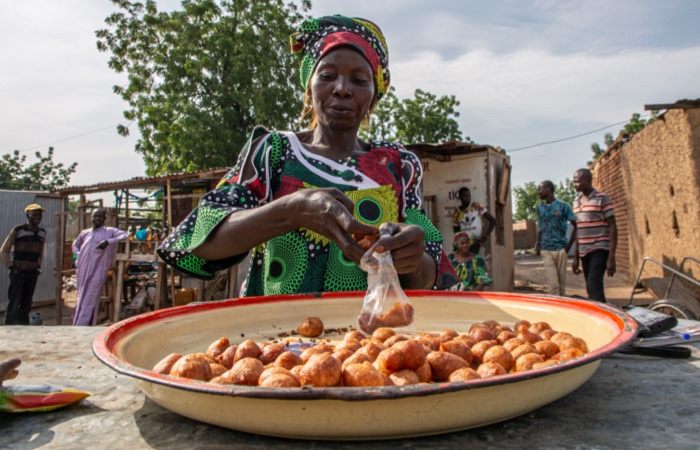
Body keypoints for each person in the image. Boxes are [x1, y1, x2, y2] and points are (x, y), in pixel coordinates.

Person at [157, 15, 460, 295]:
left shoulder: (398, 165)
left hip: (371, 344)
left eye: (359, 79)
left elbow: (428, 277)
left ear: (376, 92)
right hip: (279, 342)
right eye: (328, 75)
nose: (342, 89)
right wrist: (292, 211)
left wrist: (410, 257)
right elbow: (201, 241)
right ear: (309, 85)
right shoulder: (272, 153)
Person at [72, 209, 128, 325]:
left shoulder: (109, 231)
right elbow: (75, 245)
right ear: (91, 218)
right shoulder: (85, 233)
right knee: (80, 296)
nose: (97, 219)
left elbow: (125, 235)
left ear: (104, 219)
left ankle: (81, 325)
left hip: (98, 270)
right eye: (95, 216)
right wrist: (79, 254)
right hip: (83, 270)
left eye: (100, 217)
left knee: (91, 297)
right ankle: (80, 323)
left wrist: (108, 242)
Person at [572, 168, 617, 303]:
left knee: (594, 286)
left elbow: (613, 226)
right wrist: (575, 257)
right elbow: (579, 230)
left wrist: (611, 257)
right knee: (591, 287)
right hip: (584, 252)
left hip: (600, 248)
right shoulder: (576, 201)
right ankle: (600, 312)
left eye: (577, 182)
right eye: (573, 182)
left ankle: (603, 317)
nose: (575, 185)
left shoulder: (602, 198)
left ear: (588, 181)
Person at [1, 204, 46, 325]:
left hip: (32, 274)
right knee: (14, 303)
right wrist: (12, 268)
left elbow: (40, 253)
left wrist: (38, 267)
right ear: (28, 215)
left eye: (39, 215)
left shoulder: (42, 233)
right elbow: (4, 250)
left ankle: (24, 331)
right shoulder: (18, 230)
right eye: (34, 214)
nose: (38, 217)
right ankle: (8, 330)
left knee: (26, 304)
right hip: (18, 273)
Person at [535, 180, 577, 296]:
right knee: (553, 284)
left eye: (540, 189)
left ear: (548, 189)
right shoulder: (540, 208)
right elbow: (540, 228)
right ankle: (554, 308)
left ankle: (562, 307)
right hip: (546, 249)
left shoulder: (563, 206)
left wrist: (567, 247)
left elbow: (576, 227)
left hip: (560, 249)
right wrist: (538, 244)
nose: (538, 192)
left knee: (561, 284)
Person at [452, 187, 496, 255]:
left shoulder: (476, 206)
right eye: (465, 196)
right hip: (464, 244)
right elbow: (456, 228)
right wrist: (460, 240)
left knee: (471, 260)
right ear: (460, 197)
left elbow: (493, 221)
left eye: (469, 196)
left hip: (475, 242)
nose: (468, 198)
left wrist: (486, 236)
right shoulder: (457, 212)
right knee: (466, 263)